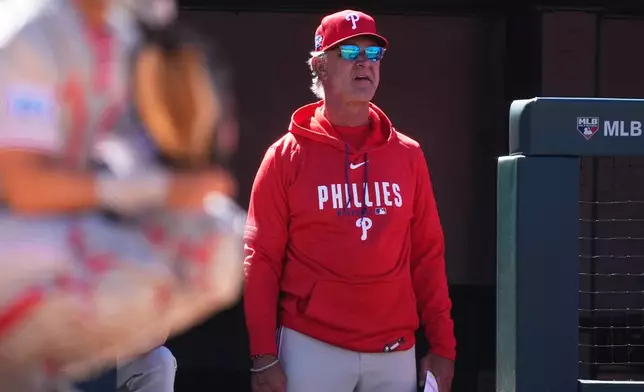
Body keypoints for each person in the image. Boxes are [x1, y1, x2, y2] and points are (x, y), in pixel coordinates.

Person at [0, 0, 243, 389]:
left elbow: (134, 154)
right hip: (14, 228)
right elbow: (24, 187)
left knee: (214, 240)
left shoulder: (129, 40)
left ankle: (45, 372)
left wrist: (189, 157)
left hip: (67, 223)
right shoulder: (30, 33)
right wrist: (158, 188)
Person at [243, 9, 456, 392]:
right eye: (349, 52)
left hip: (393, 351)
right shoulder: (285, 157)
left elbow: (428, 254)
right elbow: (260, 259)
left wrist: (443, 347)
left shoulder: (408, 155)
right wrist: (262, 355)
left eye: (373, 54)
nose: (364, 63)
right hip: (311, 347)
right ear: (320, 66)